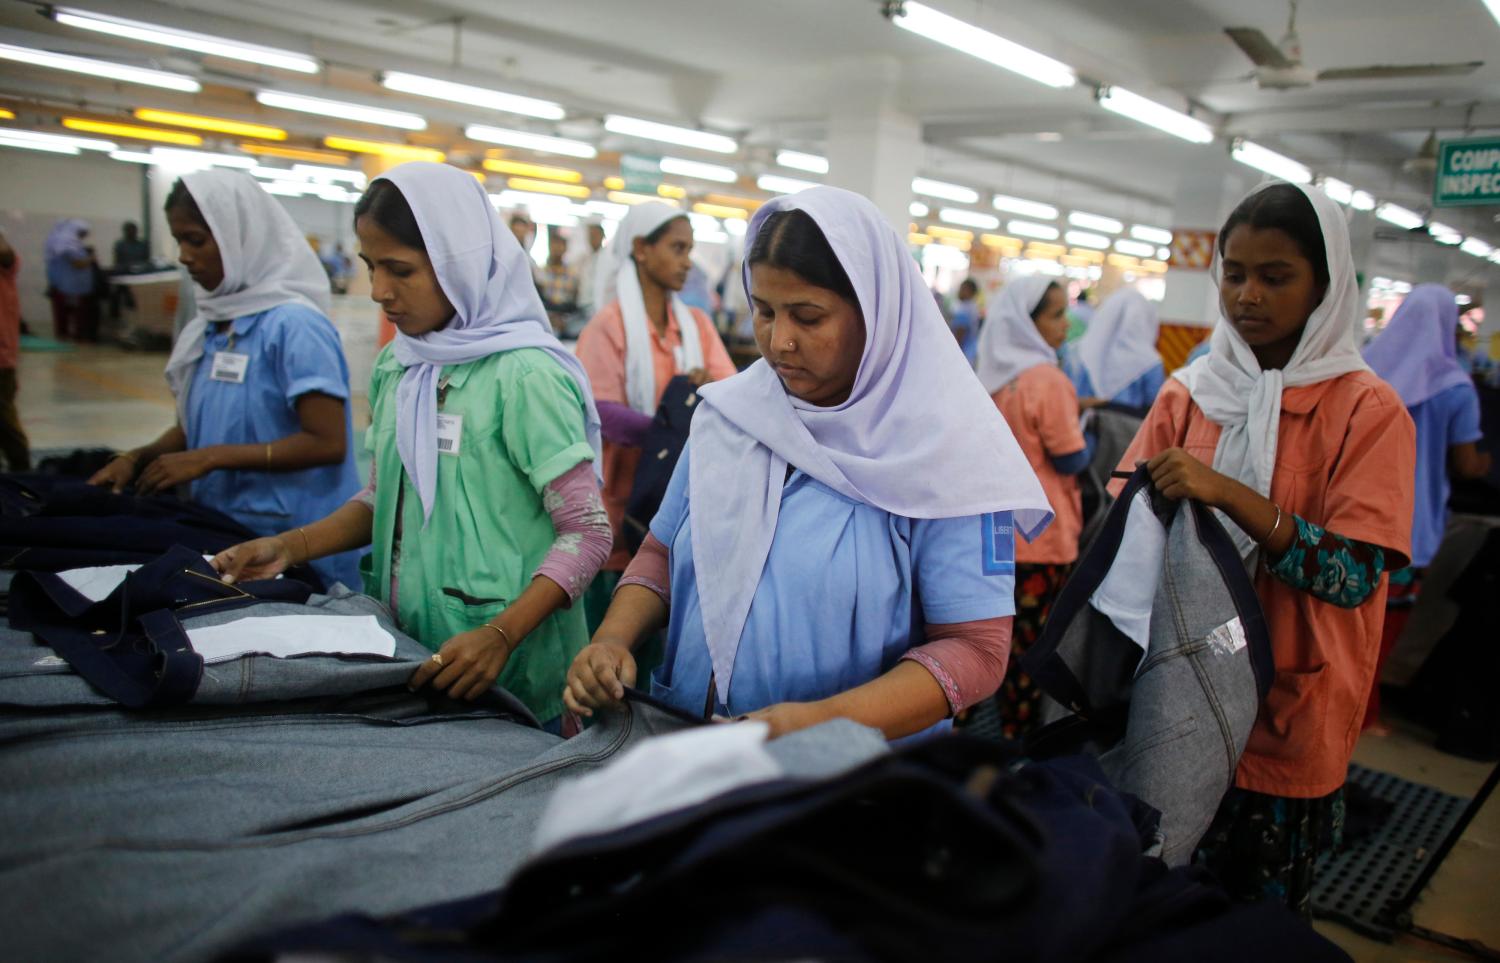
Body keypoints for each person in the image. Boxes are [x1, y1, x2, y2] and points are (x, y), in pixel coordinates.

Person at [563, 187, 1052, 740]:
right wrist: (612, 639)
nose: (779, 342)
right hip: (689, 745)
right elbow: (661, 553)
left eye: (808, 317)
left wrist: (821, 723)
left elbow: (976, 650)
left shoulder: (942, 453)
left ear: (874, 314)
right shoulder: (729, 417)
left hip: (849, 779)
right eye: (764, 312)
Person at [210, 163, 609, 730]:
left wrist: (501, 634)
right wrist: (290, 547)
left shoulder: (526, 378)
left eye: (400, 270)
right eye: (370, 267)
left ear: (459, 265)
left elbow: (587, 532)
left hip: (513, 668)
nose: (378, 291)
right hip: (415, 649)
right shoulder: (402, 365)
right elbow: (383, 498)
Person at [1113, 181, 1415, 918]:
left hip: (1289, 708)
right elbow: (1123, 533)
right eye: (1235, 273)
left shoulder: (1367, 412)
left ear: (1325, 285)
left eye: (1276, 277)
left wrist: (1227, 494)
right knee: (1154, 903)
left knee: (1256, 923)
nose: (1248, 295)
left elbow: (1349, 575)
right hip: (1176, 696)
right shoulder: (1191, 393)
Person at [86, 171, 363, 590]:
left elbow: (326, 441)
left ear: (240, 237)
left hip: (295, 544)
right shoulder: (212, 324)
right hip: (223, 533)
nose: (183, 256)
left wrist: (210, 458)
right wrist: (136, 457)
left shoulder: (294, 325)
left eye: (196, 240)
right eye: (179, 241)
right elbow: (196, 426)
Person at [574, 202, 736, 630]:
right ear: (641, 249)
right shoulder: (608, 327)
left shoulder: (696, 325)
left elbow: (732, 395)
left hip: (680, 504)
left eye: (690, 250)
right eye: (678, 248)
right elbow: (602, 413)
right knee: (608, 636)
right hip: (618, 506)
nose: (687, 262)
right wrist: (675, 422)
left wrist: (703, 390)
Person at [1360, 283, 1490, 729]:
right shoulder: (1455, 388)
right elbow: (1467, 464)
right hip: (1411, 526)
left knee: (1346, 624)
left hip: (1353, 514)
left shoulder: (1364, 372)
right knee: (1386, 628)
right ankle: (1366, 714)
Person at [974, 275, 1090, 739]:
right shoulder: (1049, 380)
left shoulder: (988, 374)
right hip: (1042, 537)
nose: (1066, 325)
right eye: (1056, 314)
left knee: (983, 640)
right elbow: (1071, 457)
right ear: (1029, 321)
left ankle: (968, 727)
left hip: (995, 532)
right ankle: (1016, 741)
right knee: (1031, 649)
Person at [1063, 288, 1166, 413]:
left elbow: (1064, 397)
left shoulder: (1077, 352)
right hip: (1129, 431)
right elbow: (1156, 409)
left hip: (1079, 428)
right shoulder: (1151, 363)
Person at [0, 230, 29, 471]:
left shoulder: (5, 265)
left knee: (6, 423)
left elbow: (5, 252)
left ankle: (24, 474)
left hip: (1, 359)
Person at [44, 218, 98, 342]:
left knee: (64, 313)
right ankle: (68, 337)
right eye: (83, 233)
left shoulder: (61, 241)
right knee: (70, 312)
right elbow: (78, 264)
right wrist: (91, 258)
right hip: (68, 286)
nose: (84, 237)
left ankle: (64, 335)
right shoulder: (66, 242)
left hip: (63, 285)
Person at [538, 228, 580, 331]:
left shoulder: (573, 274)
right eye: (554, 244)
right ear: (549, 246)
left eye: (560, 245)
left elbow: (575, 302)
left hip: (566, 322)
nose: (557, 248)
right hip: (545, 321)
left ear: (565, 248)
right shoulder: (540, 272)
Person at [571, 219, 607, 319]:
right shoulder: (584, 258)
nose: (592, 238)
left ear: (602, 236)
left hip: (596, 306)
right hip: (582, 305)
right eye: (590, 235)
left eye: (595, 235)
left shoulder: (608, 259)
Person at [949, 278, 981, 365]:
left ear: (971, 293)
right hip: (970, 352)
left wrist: (953, 354)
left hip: (963, 352)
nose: (960, 291)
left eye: (963, 289)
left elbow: (960, 334)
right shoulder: (973, 306)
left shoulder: (965, 309)